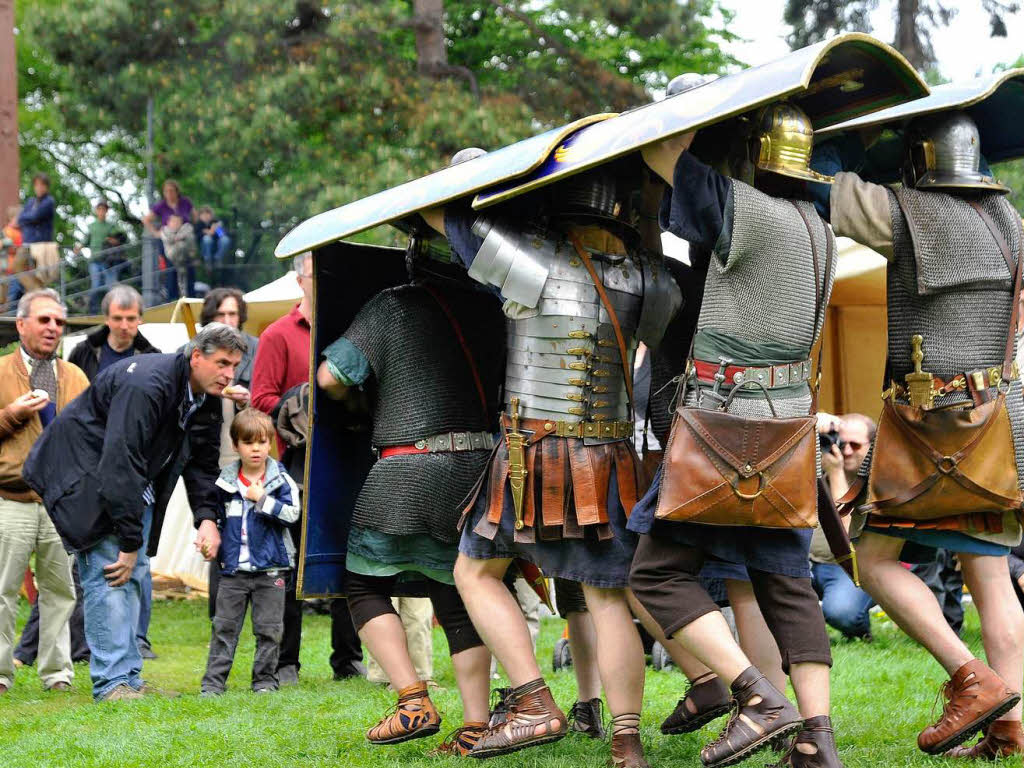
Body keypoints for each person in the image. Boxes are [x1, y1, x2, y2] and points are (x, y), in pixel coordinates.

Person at [424, 158, 682, 766]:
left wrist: (480, 175)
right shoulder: (650, 277)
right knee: (607, 593)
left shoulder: (533, 260)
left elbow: (446, 215)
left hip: (533, 450)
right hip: (612, 450)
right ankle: (625, 737)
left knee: (475, 572)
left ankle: (534, 700)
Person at [628, 103, 843, 768]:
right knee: (785, 581)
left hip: (725, 425)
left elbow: (662, 156)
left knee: (656, 573)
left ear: (753, 157)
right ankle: (817, 738)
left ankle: (756, 697)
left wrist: (689, 120)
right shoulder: (820, 228)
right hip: (788, 424)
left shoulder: (745, 210)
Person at [820, 110, 1024, 758]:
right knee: (990, 577)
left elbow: (817, 188)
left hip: (930, 426)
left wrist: (854, 143)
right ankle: (1012, 728)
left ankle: (972, 681)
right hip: (999, 419)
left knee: (875, 563)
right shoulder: (1011, 222)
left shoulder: (904, 213)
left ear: (918, 162)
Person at [316, 244, 503, 755]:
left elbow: (330, 376)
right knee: (457, 590)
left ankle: (412, 700)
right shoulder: (493, 304)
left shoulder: (394, 304)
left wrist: (358, 399)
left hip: (410, 467)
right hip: (481, 466)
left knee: (361, 582)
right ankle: (475, 725)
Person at [22, 323, 249, 701]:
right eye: (221, 363)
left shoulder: (205, 395)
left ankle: (128, 677)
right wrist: (129, 541)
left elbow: (203, 463)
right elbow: (119, 462)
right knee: (111, 574)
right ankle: (111, 683)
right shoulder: (147, 383)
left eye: (235, 366)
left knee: (135, 574)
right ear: (196, 356)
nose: (228, 374)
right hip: (82, 476)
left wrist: (207, 517)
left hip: (127, 484)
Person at [251, 251, 363, 684]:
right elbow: (260, 399)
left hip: (346, 458)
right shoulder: (278, 334)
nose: (325, 282)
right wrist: (299, 403)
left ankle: (348, 661)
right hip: (295, 464)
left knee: (349, 559)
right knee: (291, 562)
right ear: (301, 280)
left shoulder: (350, 334)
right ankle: (285, 663)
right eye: (318, 275)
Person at [0, 289, 89, 695]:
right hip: (10, 499)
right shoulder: (0, 371)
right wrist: (12, 416)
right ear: (21, 325)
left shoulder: (74, 377)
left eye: (58, 321)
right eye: (44, 320)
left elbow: (91, 437)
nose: (53, 328)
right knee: (2, 592)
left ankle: (57, 674)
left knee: (60, 592)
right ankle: (1, 674)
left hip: (60, 503)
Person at [200, 408, 299, 696]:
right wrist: (208, 539)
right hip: (232, 571)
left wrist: (262, 500)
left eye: (262, 442)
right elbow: (212, 519)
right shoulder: (224, 483)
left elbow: (293, 514)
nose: (255, 448)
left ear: (270, 444)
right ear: (236, 446)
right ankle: (213, 684)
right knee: (224, 629)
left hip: (271, 570)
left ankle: (265, 682)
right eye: (248, 442)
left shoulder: (281, 480)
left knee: (269, 630)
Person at [197, 287, 258, 620]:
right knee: (218, 533)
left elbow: (264, 401)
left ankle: (257, 610)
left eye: (233, 314)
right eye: (220, 314)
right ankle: (220, 614)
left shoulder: (256, 349)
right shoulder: (195, 352)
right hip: (213, 461)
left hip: (248, 458)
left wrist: (247, 400)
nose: (227, 321)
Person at [811, 413, 877, 640]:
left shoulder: (877, 482)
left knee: (842, 613)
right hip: (808, 565)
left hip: (850, 568)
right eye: (840, 442)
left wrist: (836, 472)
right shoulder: (815, 471)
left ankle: (859, 628)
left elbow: (846, 534)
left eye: (855, 445)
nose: (846, 451)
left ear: (872, 446)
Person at [69, 285, 159, 381]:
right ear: (106, 319)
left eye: (131, 319)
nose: (124, 326)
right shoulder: (83, 352)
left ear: (140, 319)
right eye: (117, 318)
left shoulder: (153, 359)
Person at [15, 173, 58, 300]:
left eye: (42, 185)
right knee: (18, 266)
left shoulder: (49, 201)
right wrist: (29, 218)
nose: (39, 188)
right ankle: (38, 293)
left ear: (46, 187)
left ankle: (37, 297)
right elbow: (21, 218)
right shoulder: (31, 201)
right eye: (37, 185)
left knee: (39, 274)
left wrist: (28, 218)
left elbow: (35, 216)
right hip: (27, 243)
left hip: (41, 245)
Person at [84, 200, 127, 315]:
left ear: (107, 211)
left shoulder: (111, 226)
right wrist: (78, 247)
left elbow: (122, 236)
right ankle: (92, 312)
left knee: (111, 287)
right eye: (100, 209)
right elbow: (85, 241)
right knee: (96, 286)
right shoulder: (91, 226)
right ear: (96, 211)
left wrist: (114, 240)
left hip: (109, 262)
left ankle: (113, 311)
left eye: (104, 209)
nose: (102, 211)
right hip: (94, 261)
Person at [160, 214, 197, 300]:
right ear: (169, 223)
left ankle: (188, 299)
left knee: (189, 283)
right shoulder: (165, 230)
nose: (176, 224)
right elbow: (169, 239)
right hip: (172, 260)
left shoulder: (187, 229)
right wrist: (180, 239)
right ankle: (173, 299)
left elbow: (190, 238)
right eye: (173, 221)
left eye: (178, 222)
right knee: (172, 282)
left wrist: (179, 240)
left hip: (186, 260)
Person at [197, 206, 232, 285]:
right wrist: (208, 232)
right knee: (207, 239)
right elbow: (198, 237)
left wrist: (217, 229)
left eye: (207, 214)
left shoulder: (215, 222)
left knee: (225, 240)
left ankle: (218, 259)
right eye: (203, 214)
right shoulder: (198, 225)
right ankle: (208, 262)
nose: (206, 216)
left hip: (216, 248)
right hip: (204, 251)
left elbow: (222, 236)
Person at [1, 205, 22, 310]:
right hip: (10, 270)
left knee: (20, 297)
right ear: (11, 218)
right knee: (12, 295)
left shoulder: (20, 232)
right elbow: (8, 247)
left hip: (20, 270)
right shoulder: (7, 231)